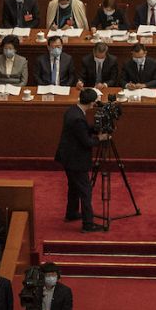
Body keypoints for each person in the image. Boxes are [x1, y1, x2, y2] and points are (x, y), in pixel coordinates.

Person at [56, 89, 102, 232]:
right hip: (75, 160)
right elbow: (87, 142)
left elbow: (82, 130)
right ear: (90, 103)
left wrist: (94, 129)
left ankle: (71, 213)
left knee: (74, 187)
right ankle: (88, 224)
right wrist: (100, 138)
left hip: (68, 158)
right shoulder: (77, 118)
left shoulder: (73, 110)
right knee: (85, 190)